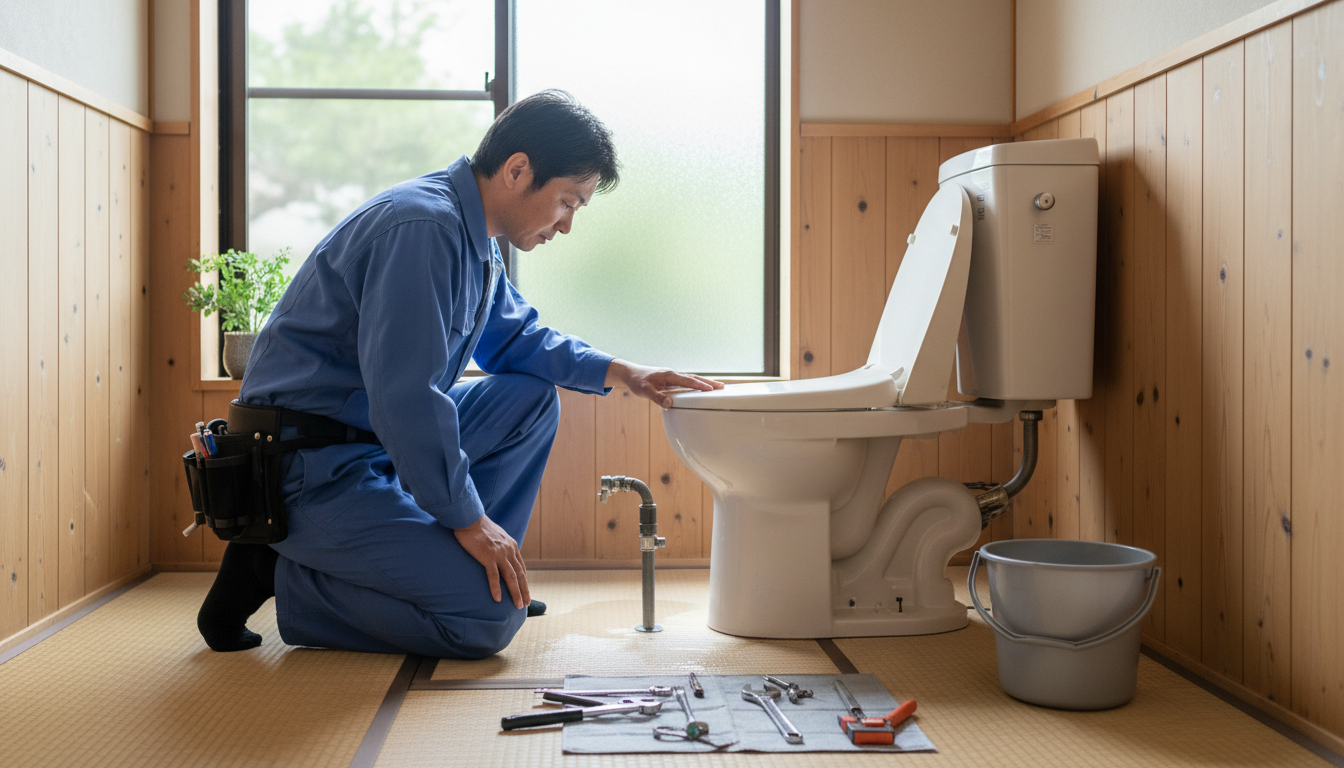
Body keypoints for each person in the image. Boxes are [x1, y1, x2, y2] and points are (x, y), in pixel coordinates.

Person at [196, 90, 722, 657]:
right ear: (518, 170)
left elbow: (517, 341)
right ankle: (277, 572)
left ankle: (486, 570)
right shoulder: (423, 228)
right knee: (487, 623)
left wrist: (624, 371)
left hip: (369, 448)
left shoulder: (475, 240)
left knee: (529, 399)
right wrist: (469, 519)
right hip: (307, 468)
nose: (566, 226)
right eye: (568, 202)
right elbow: (406, 400)